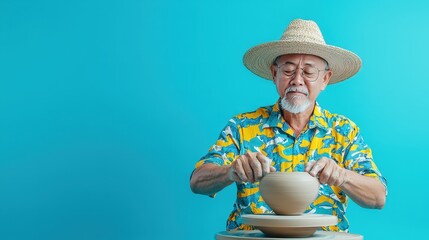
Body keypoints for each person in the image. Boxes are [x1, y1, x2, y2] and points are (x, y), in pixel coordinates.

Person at [190, 19, 387, 232]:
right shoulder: (242, 126)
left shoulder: (344, 131)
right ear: (274, 74)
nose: (297, 80)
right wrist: (231, 170)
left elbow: (377, 197)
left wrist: (342, 175)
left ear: (325, 80)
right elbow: (197, 181)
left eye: (309, 72)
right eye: (288, 70)